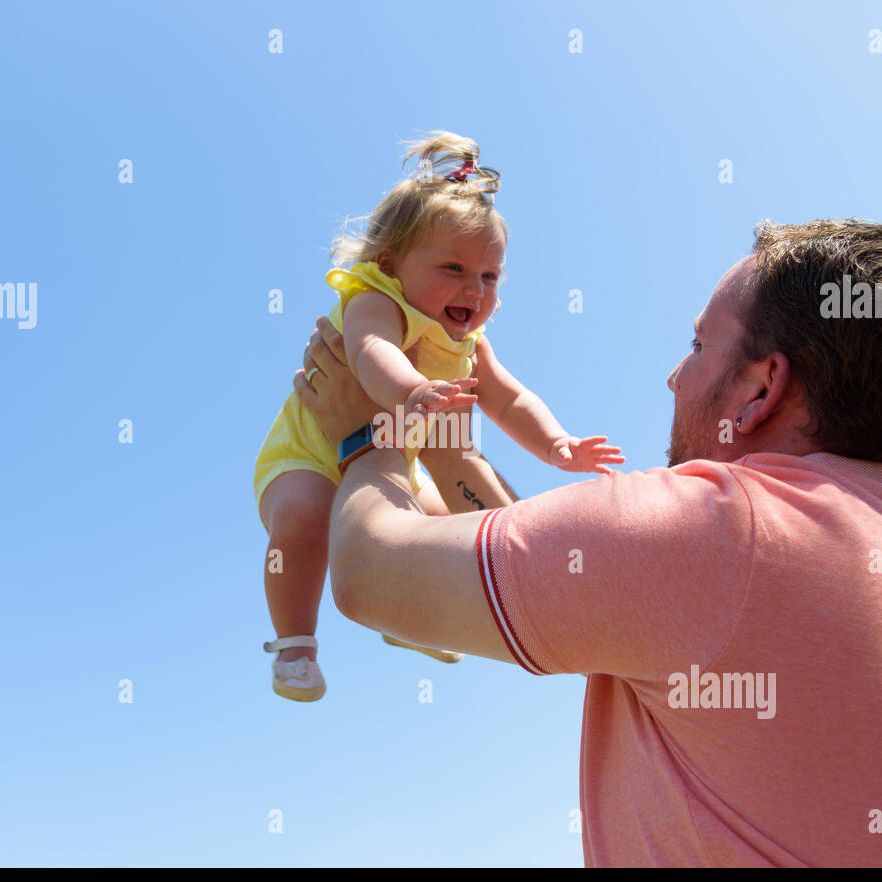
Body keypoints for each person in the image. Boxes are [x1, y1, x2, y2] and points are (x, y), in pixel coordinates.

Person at [296, 218, 882, 867]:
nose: (674, 376)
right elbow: (555, 571)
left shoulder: (721, 529)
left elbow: (370, 570)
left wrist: (365, 428)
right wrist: (437, 425)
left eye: (700, 345)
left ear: (761, 388)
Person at [254, 131, 620, 703]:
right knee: (302, 521)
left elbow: (510, 399)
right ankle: (294, 643)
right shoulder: (376, 299)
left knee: (437, 534)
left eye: (490, 276)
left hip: (390, 463)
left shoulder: (470, 343)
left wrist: (557, 445)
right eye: (453, 267)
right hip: (307, 456)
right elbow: (372, 352)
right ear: (389, 263)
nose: (474, 289)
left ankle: (409, 617)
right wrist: (415, 389)